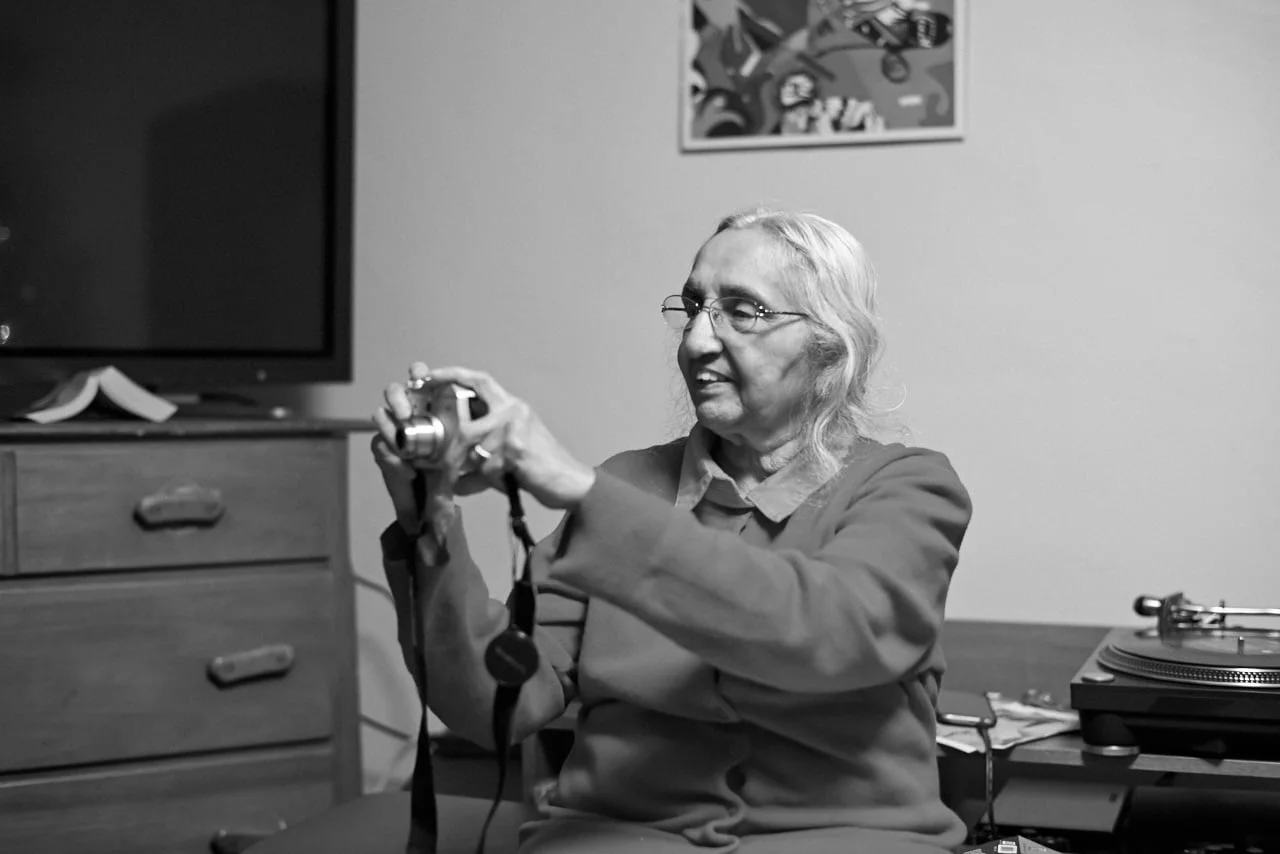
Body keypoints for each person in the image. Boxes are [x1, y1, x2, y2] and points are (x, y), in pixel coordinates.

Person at [371, 206, 973, 853]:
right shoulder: (627, 484)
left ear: (830, 343)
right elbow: (496, 705)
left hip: (844, 838)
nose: (695, 342)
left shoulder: (906, 486)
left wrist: (580, 490)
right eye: (693, 308)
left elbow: (829, 632)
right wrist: (428, 523)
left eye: (742, 311)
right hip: (621, 836)